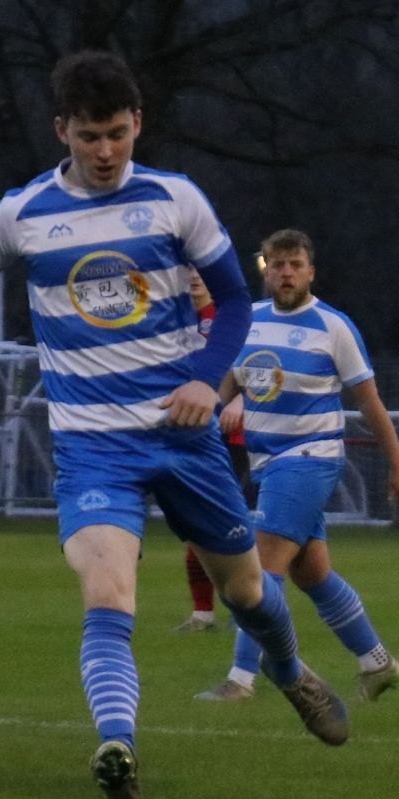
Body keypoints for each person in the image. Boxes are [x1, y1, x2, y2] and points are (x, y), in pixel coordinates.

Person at [0, 50, 347, 799]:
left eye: (117, 133)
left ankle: (291, 675)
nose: (106, 151)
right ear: (62, 130)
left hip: (183, 436)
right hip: (92, 447)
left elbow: (233, 303)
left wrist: (205, 379)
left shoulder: (176, 200)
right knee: (108, 592)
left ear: (138, 123)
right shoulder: (20, 214)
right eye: (90, 136)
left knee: (247, 590)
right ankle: (117, 745)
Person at [193, 229, 399, 704]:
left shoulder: (334, 327)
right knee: (312, 574)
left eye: (295, 264)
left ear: (311, 272)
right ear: (266, 272)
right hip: (267, 462)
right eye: (277, 265)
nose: (286, 273)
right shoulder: (248, 321)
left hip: (310, 458)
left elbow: (370, 402)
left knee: (260, 570)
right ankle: (376, 663)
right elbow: (226, 387)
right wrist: (197, 421)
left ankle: (240, 680)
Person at [174, 268, 256, 634]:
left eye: (200, 270)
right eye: (186, 269)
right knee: (195, 527)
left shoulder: (231, 320)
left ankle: (248, 609)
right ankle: (203, 613)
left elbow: (260, 368)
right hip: (187, 435)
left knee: (233, 525)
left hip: (231, 438)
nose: (194, 277)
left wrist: (242, 400)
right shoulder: (172, 320)